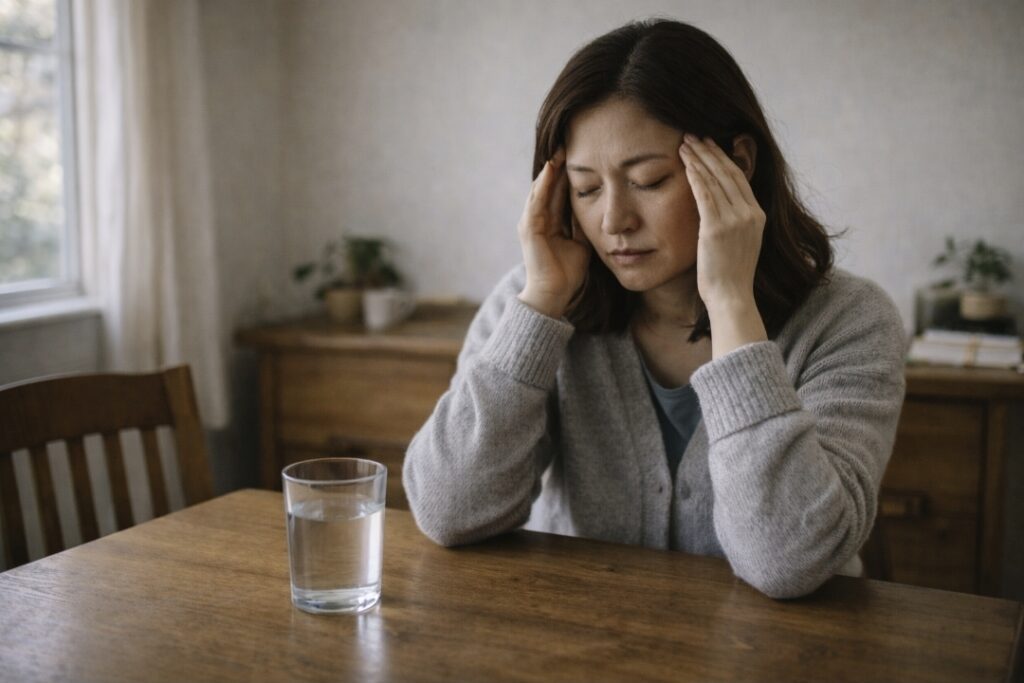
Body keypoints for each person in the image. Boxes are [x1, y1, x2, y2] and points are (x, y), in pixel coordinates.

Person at [402, 18, 906, 599]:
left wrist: (731, 304)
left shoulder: (849, 321)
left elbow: (786, 561)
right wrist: (539, 309)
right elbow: (448, 512)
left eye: (648, 180)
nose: (614, 222)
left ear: (737, 163)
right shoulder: (536, 303)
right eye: (587, 189)